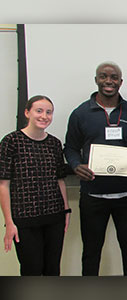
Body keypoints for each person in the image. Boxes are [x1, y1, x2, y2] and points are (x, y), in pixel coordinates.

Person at [64, 61, 127, 276]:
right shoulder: (80, 113)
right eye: (103, 76)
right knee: (91, 252)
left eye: (113, 77)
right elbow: (71, 148)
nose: (108, 81)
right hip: (93, 195)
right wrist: (75, 165)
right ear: (96, 80)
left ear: (120, 82)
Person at [0, 95, 70, 276]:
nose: (44, 116)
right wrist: (9, 222)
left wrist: (66, 211)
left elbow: (60, 180)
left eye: (49, 112)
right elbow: (3, 185)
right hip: (24, 218)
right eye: (39, 111)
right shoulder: (11, 142)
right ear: (27, 113)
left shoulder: (54, 143)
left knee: (52, 269)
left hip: (54, 216)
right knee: (32, 269)